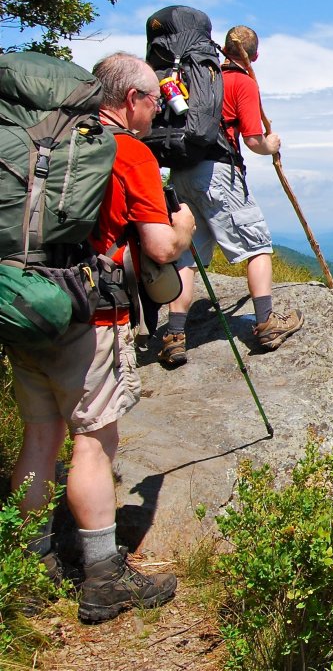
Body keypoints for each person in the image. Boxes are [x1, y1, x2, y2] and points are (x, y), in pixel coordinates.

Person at [7, 52, 196, 624]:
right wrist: (184, 226)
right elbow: (160, 249)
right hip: (91, 314)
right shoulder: (128, 152)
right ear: (133, 99)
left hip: (24, 302)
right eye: (152, 101)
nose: (155, 111)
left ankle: (27, 567)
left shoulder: (42, 140)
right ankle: (103, 578)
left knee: (40, 438)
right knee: (94, 441)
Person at [159, 25, 302, 366]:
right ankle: (267, 322)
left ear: (222, 49)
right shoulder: (242, 82)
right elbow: (254, 140)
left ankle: (174, 335)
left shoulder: (198, 80)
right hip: (219, 173)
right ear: (255, 55)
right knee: (258, 245)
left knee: (189, 256)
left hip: (181, 173)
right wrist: (273, 145)